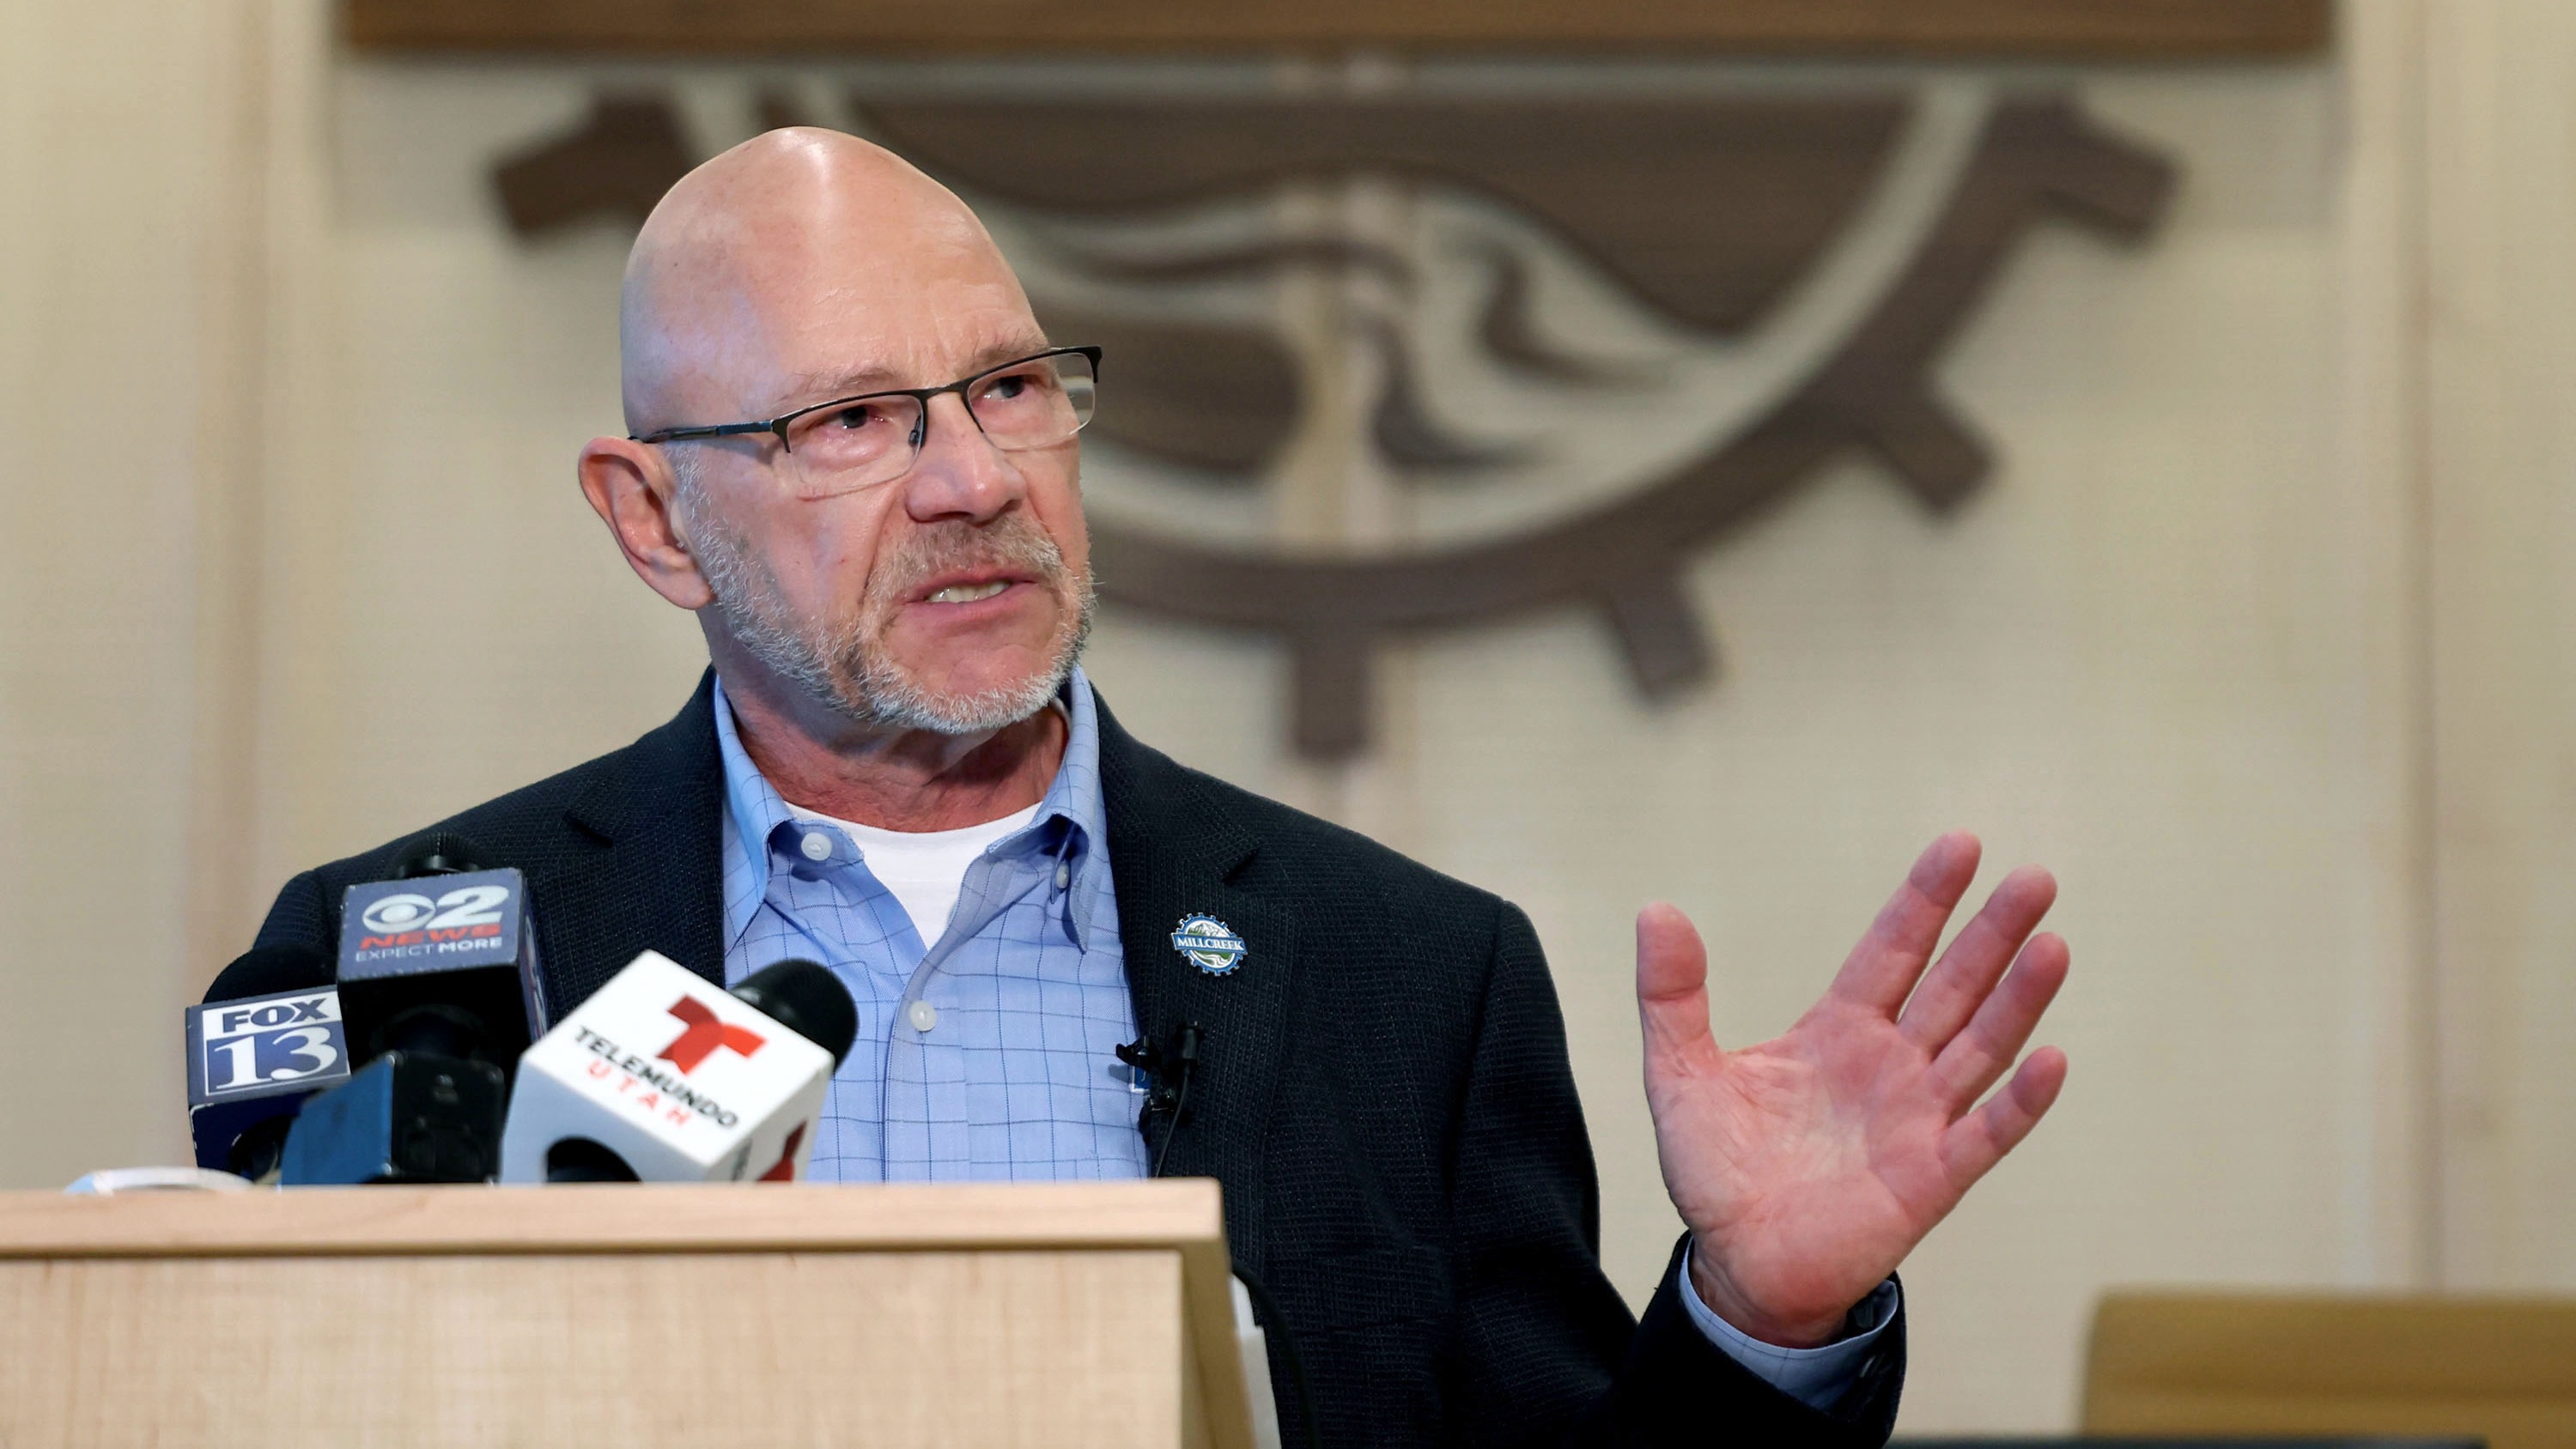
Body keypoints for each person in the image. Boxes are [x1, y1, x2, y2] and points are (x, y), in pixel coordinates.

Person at [252, 128, 2070, 1447]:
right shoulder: (394, 959)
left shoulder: (1404, 983)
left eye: (1010, 386)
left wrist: (1758, 1318)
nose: (970, 477)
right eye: (852, 420)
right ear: (655, 519)